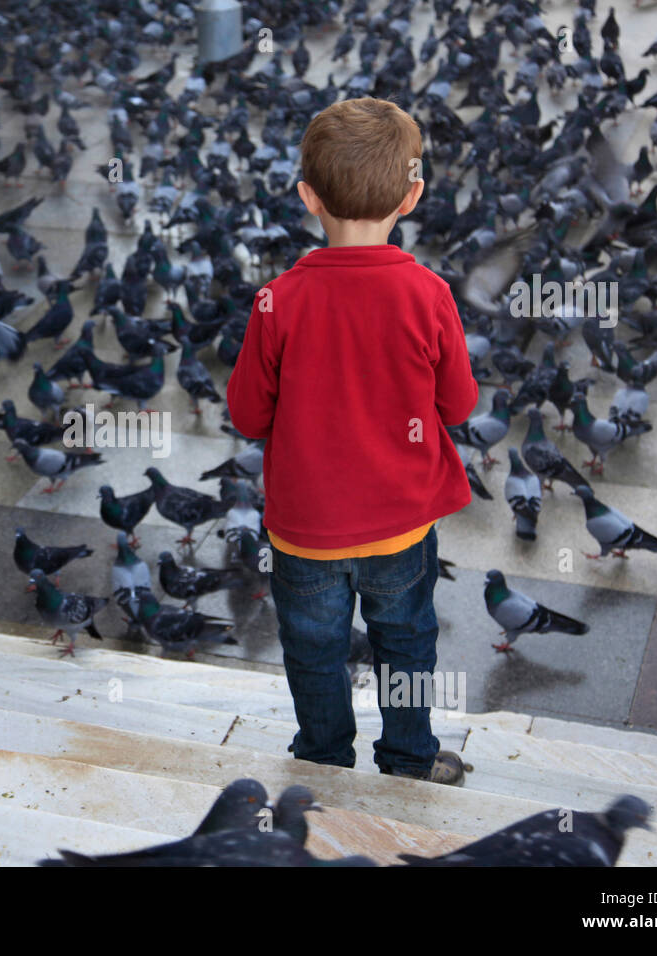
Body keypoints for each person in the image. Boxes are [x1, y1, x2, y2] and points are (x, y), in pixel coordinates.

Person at [226, 97, 479, 784]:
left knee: (313, 648)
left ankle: (323, 760)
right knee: (407, 643)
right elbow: (459, 403)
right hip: (399, 526)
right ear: (413, 196)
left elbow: (248, 416)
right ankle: (408, 758)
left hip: (306, 532)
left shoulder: (277, 300)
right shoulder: (428, 293)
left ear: (308, 196)